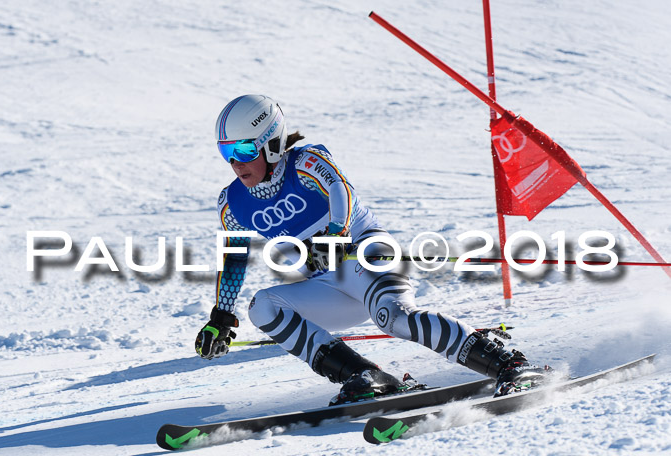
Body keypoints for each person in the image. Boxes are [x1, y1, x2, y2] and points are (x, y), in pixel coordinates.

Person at [195, 94, 547, 404]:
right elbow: (234, 258)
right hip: (328, 287)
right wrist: (221, 317)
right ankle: (365, 377)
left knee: (395, 319)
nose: (235, 162)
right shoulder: (232, 203)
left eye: (243, 149)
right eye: (226, 151)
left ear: (271, 143)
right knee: (264, 307)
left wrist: (336, 235)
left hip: (364, 258)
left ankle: (508, 364)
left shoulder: (305, 163)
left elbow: (340, 191)